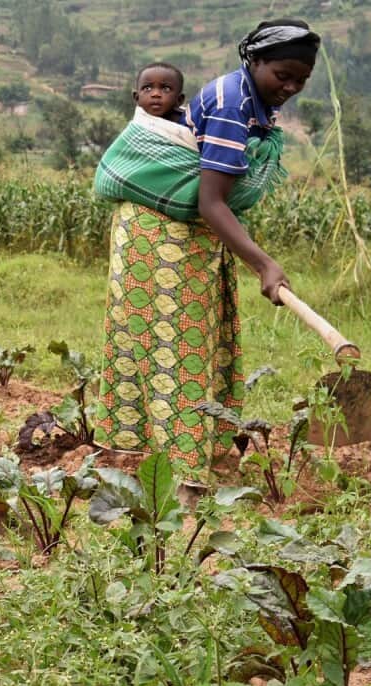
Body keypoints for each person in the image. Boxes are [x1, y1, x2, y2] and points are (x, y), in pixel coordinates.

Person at [96, 20, 319, 477]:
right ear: (254, 62)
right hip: (157, 235)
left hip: (188, 235)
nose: (292, 87)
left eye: (302, 79)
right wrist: (264, 265)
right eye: (284, 75)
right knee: (175, 343)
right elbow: (210, 200)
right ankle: (172, 468)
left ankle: (191, 451)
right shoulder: (232, 104)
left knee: (197, 339)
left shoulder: (254, 100)